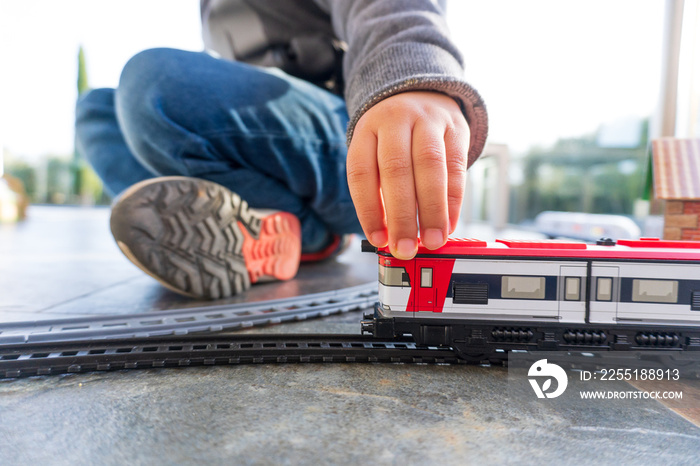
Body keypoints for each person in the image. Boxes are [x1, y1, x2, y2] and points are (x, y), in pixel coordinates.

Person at [75, 0, 488, 299]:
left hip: (361, 145)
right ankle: (273, 229)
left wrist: (411, 75)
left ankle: (296, 232)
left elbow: (386, 7)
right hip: (279, 148)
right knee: (95, 110)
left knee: (152, 84)